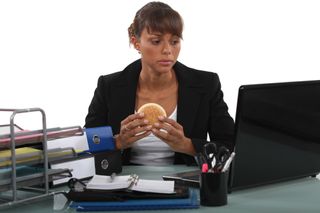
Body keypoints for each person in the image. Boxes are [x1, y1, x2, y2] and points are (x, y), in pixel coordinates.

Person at [85, 1, 234, 166]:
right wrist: (118, 142)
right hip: (124, 186)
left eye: (174, 41)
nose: (167, 50)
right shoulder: (109, 86)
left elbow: (229, 147)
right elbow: (87, 146)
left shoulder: (206, 84)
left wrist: (187, 145)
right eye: (156, 41)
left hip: (184, 187)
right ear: (136, 42)